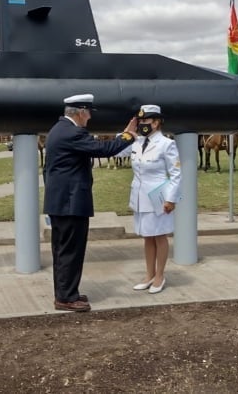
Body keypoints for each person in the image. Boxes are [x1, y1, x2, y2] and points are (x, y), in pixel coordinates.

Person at [43, 93, 138, 312]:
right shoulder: (73, 133)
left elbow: (48, 171)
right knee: (70, 252)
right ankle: (66, 298)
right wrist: (128, 135)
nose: (89, 118)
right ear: (80, 112)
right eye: (88, 113)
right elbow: (104, 150)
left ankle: (66, 292)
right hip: (70, 204)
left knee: (62, 251)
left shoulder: (58, 130)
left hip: (61, 202)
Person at [128, 105, 181, 294]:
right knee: (148, 236)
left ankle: (160, 275)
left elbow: (176, 173)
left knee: (160, 236)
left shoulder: (167, 144)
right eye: (140, 121)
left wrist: (171, 199)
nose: (142, 124)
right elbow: (118, 152)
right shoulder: (137, 142)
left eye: (145, 121)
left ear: (156, 123)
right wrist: (127, 133)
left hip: (158, 197)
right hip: (140, 197)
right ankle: (149, 274)